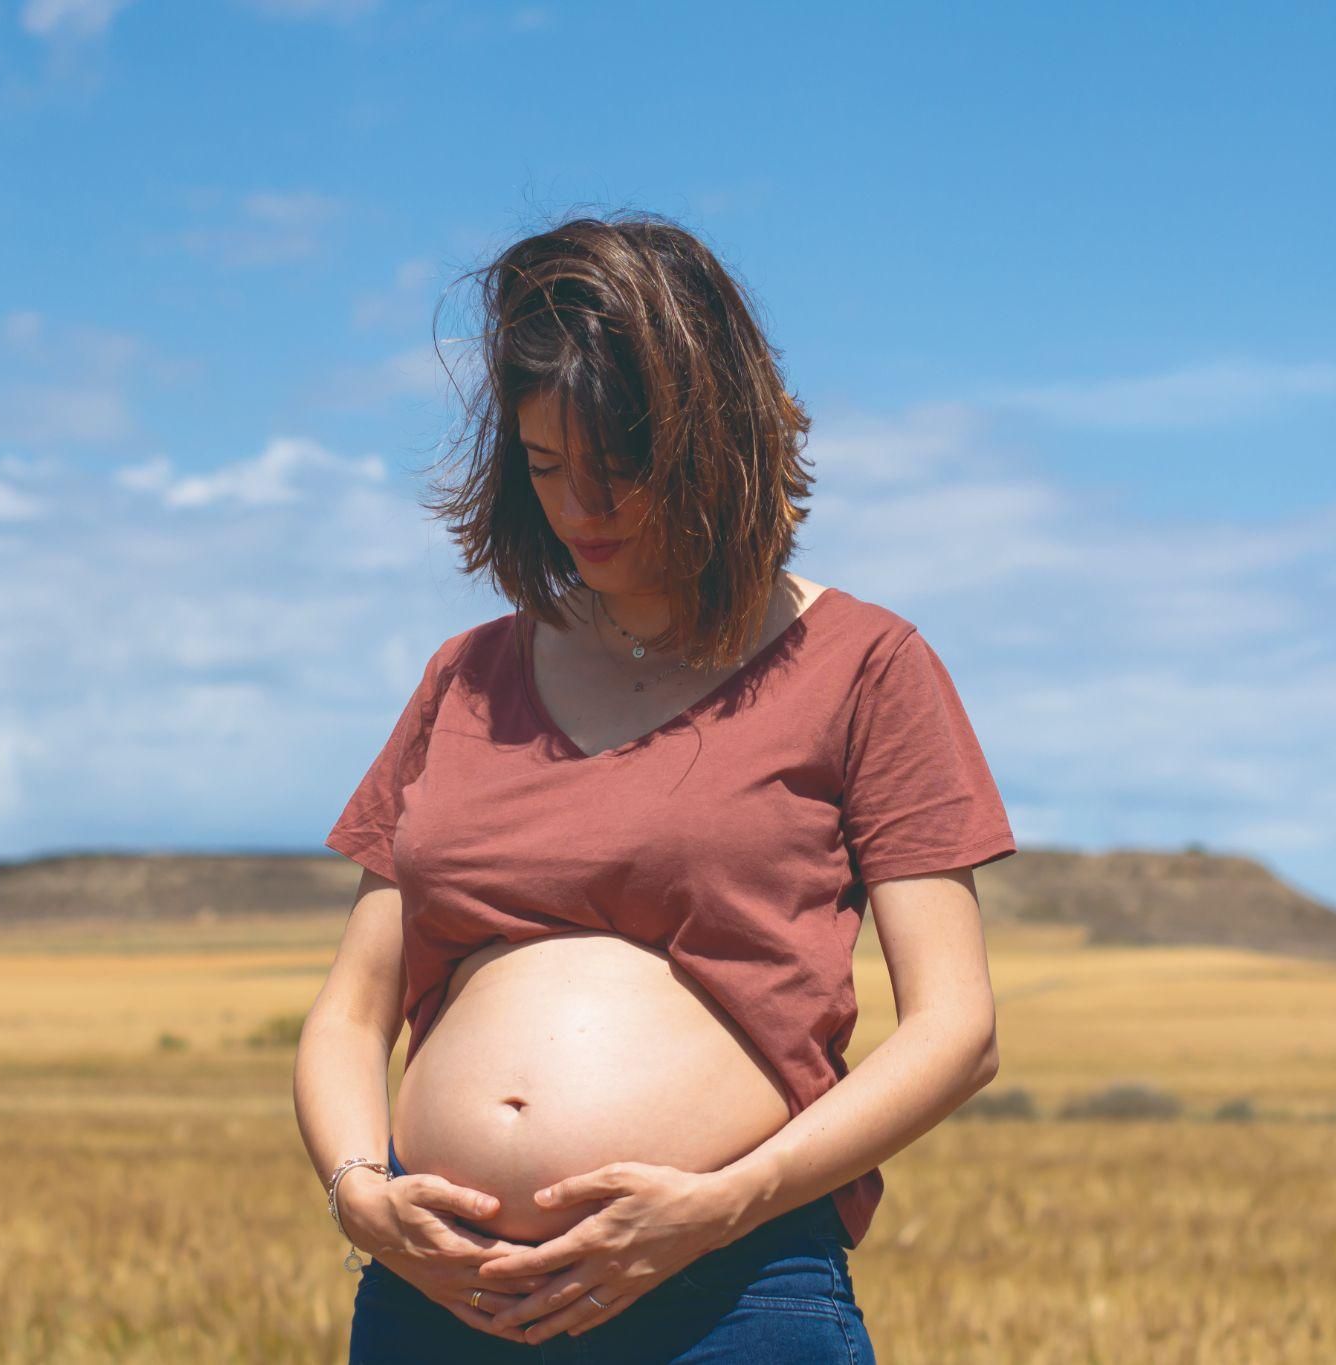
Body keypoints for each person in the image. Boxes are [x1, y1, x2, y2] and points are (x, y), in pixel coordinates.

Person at [293, 211, 1016, 1362]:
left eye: (617, 468)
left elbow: (957, 1030)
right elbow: (350, 1009)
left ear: (710, 440)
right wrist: (359, 1194)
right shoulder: (465, 678)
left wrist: (723, 1203)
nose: (580, 510)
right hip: (439, 1306)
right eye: (543, 468)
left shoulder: (866, 664)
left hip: (723, 1293)